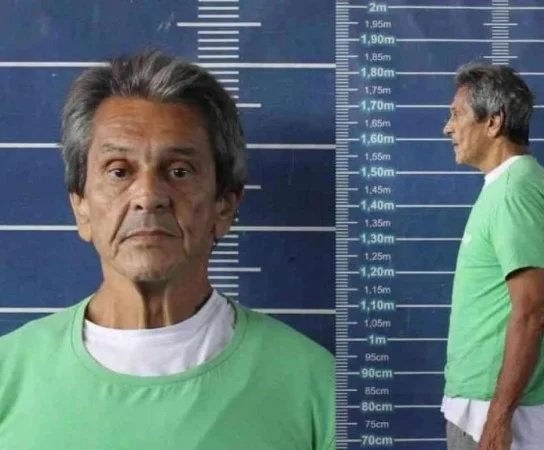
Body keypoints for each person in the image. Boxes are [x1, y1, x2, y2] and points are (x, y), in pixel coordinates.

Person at [0, 50, 335, 450]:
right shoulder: (8, 375)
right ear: (81, 207)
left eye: (179, 171)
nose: (148, 196)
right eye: (119, 171)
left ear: (224, 206)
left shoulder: (315, 387)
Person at [440, 63, 544, 450]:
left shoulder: (515, 192)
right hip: (488, 405)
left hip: (492, 412)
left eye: (457, 115)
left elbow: (532, 312)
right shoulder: (514, 184)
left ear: (493, 122)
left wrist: (498, 420)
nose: (448, 128)